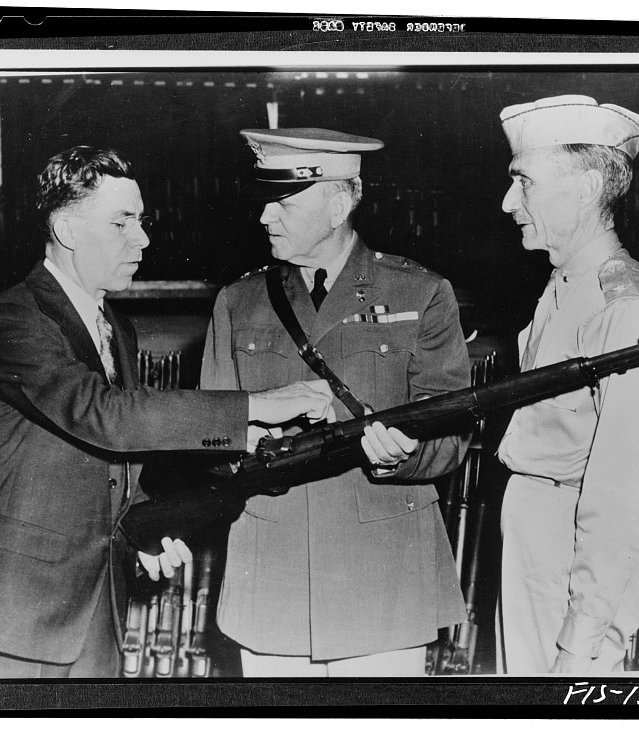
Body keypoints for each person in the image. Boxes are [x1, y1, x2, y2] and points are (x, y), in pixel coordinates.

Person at [0, 146, 334, 681]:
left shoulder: (115, 326)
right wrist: (257, 407)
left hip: (97, 605)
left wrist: (141, 532)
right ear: (68, 230)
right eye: (121, 222)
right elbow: (101, 415)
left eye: (141, 221)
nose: (143, 238)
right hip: (13, 613)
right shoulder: (14, 318)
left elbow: (111, 463)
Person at [199, 128, 471, 677]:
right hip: (273, 571)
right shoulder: (239, 301)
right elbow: (208, 429)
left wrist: (400, 457)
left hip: (383, 573)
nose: (265, 218)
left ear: (339, 203)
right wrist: (241, 451)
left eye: (284, 202)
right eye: (264, 203)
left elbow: (452, 436)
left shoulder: (420, 294)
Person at [494, 96, 639, 675]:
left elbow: (624, 495)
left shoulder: (623, 306)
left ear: (584, 188)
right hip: (538, 536)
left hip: (572, 557)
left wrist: (580, 638)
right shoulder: (564, 285)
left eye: (523, 182)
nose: (508, 202)